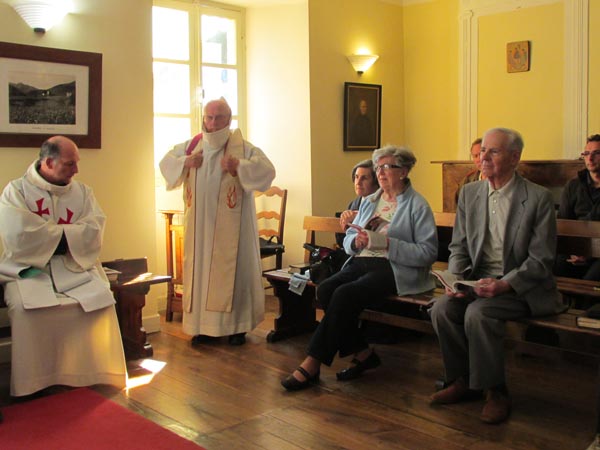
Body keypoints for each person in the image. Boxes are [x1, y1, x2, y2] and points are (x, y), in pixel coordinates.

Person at [429, 127, 564, 424]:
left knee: (479, 313)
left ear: (515, 158)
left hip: (522, 285)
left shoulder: (538, 198)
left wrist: (505, 284)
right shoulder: (470, 193)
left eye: (494, 151)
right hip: (478, 280)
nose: (484, 158)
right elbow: (459, 246)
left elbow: (541, 260)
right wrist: (455, 278)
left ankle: (496, 391)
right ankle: (464, 381)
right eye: (482, 152)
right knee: (442, 308)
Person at [281, 145, 438, 391]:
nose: (381, 172)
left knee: (344, 295)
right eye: (379, 167)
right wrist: (356, 242)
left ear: (404, 171)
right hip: (362, 260)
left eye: (388, 167)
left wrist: (388, 243)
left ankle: (312, 362)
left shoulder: (417, 205)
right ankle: (363, 354)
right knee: (326, 289)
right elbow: (349, 240)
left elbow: (428, 253)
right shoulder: (370, 201)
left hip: (394, 268)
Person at [0, 136, 127, 397]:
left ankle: (92, 374)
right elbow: (18, 233)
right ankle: (34, 383)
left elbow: (94, 229)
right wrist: (68, 235)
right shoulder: (17, 191)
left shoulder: (82, 193)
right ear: (48, 162)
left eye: (76, 163)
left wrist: (51, 235)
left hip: (73, 265)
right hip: (29, 269)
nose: (76, 170)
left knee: (102, 303)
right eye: (70, 164)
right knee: (26, 310)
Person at [160, 98, 276, 346]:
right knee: (201, 275)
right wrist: (186, 162)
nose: (213, 123)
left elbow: (267, 171)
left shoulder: (242, 148)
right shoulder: (192, 145)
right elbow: (166, 162)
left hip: (233, 230)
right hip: (200, 230)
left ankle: (237, 328)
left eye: (219, 117)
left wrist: (239, 166)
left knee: (234, 272)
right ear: (203, 118)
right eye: (209, 117)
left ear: (229, 119)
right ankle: (203, 328)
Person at [555, 134, 600, 280]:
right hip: (575, 250)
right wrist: (573, 251)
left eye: (596, 153)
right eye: (586, 153)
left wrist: (590, 255)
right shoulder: (573, 186)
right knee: (555, 266)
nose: (590, 158)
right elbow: (563, 223)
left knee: (592, 278)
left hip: (598, 255)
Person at [335, 159, 379, 247]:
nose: (358, 183)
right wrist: (344, 221)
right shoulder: (353, 204)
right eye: (356, 177)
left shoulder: (384, 203)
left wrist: (359, 218)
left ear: (376, 182)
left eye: (364, 178)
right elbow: (342, 243)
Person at [455, 138, 484, 206]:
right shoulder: (468, 180)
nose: (479, 159)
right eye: (475, 156)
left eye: (481, 154)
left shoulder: (498, 180)